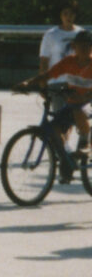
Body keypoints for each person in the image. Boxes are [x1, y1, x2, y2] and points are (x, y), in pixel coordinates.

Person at [14, 28, 92, 172]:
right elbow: (48, 75)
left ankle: (86, 143)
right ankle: (66, 160)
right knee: (53, 128)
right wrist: (28, 83)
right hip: (72, 103)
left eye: (87, 46)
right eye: (80, 46)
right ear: (74, 47)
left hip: (88, 104)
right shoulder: (69, 62)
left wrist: (85, 97)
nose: (84, 49)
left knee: (79, 110)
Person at [38, 0, 80, 75]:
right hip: (56, 81)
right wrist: (42, 80)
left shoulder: (82, 34)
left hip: (77, 82)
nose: (68, 17)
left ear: (75, 15)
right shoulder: (50, 34)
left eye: (71, 14)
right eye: (65, 14)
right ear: (60, 15)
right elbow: (44, 60)